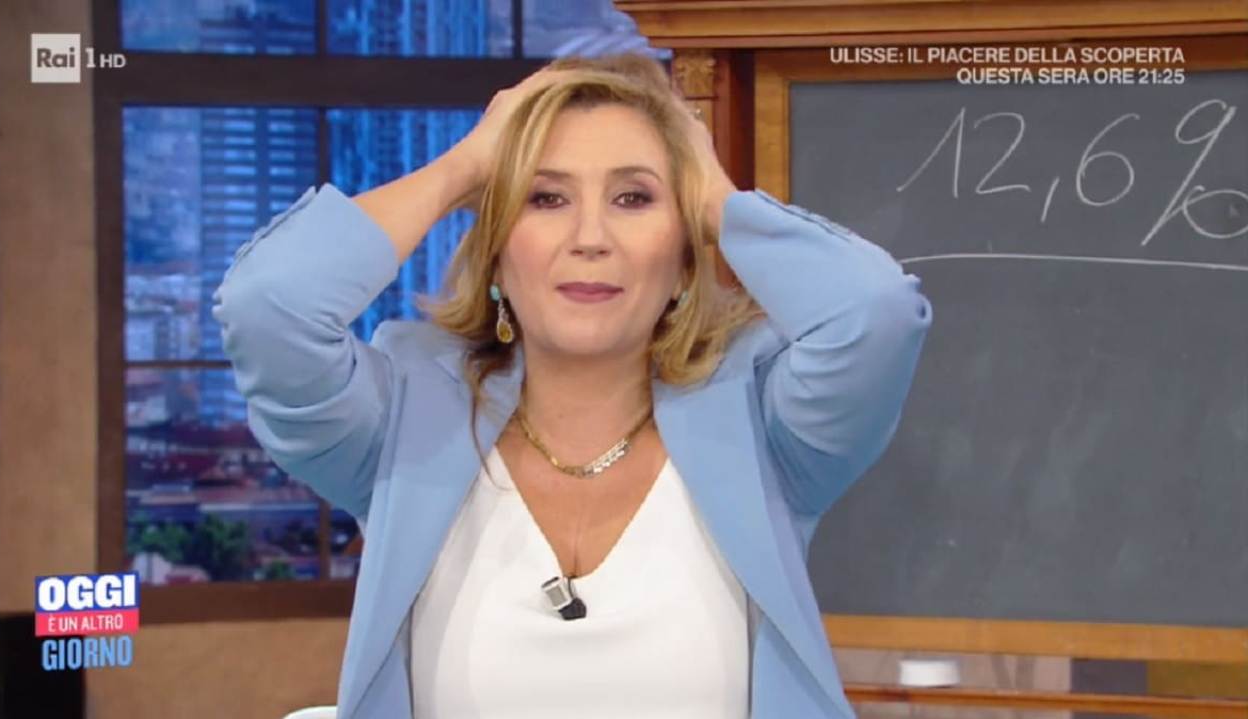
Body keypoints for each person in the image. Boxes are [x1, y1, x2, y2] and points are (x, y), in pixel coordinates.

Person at [213, 52, 932, 719]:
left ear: (685, 261)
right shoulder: (401, 422)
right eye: (546, 198)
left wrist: (711, 192)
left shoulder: (765, 427)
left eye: (634, 198)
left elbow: (875, 314)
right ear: (496, 256)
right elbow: (268, 306)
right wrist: (464, 169)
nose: (590, 237)